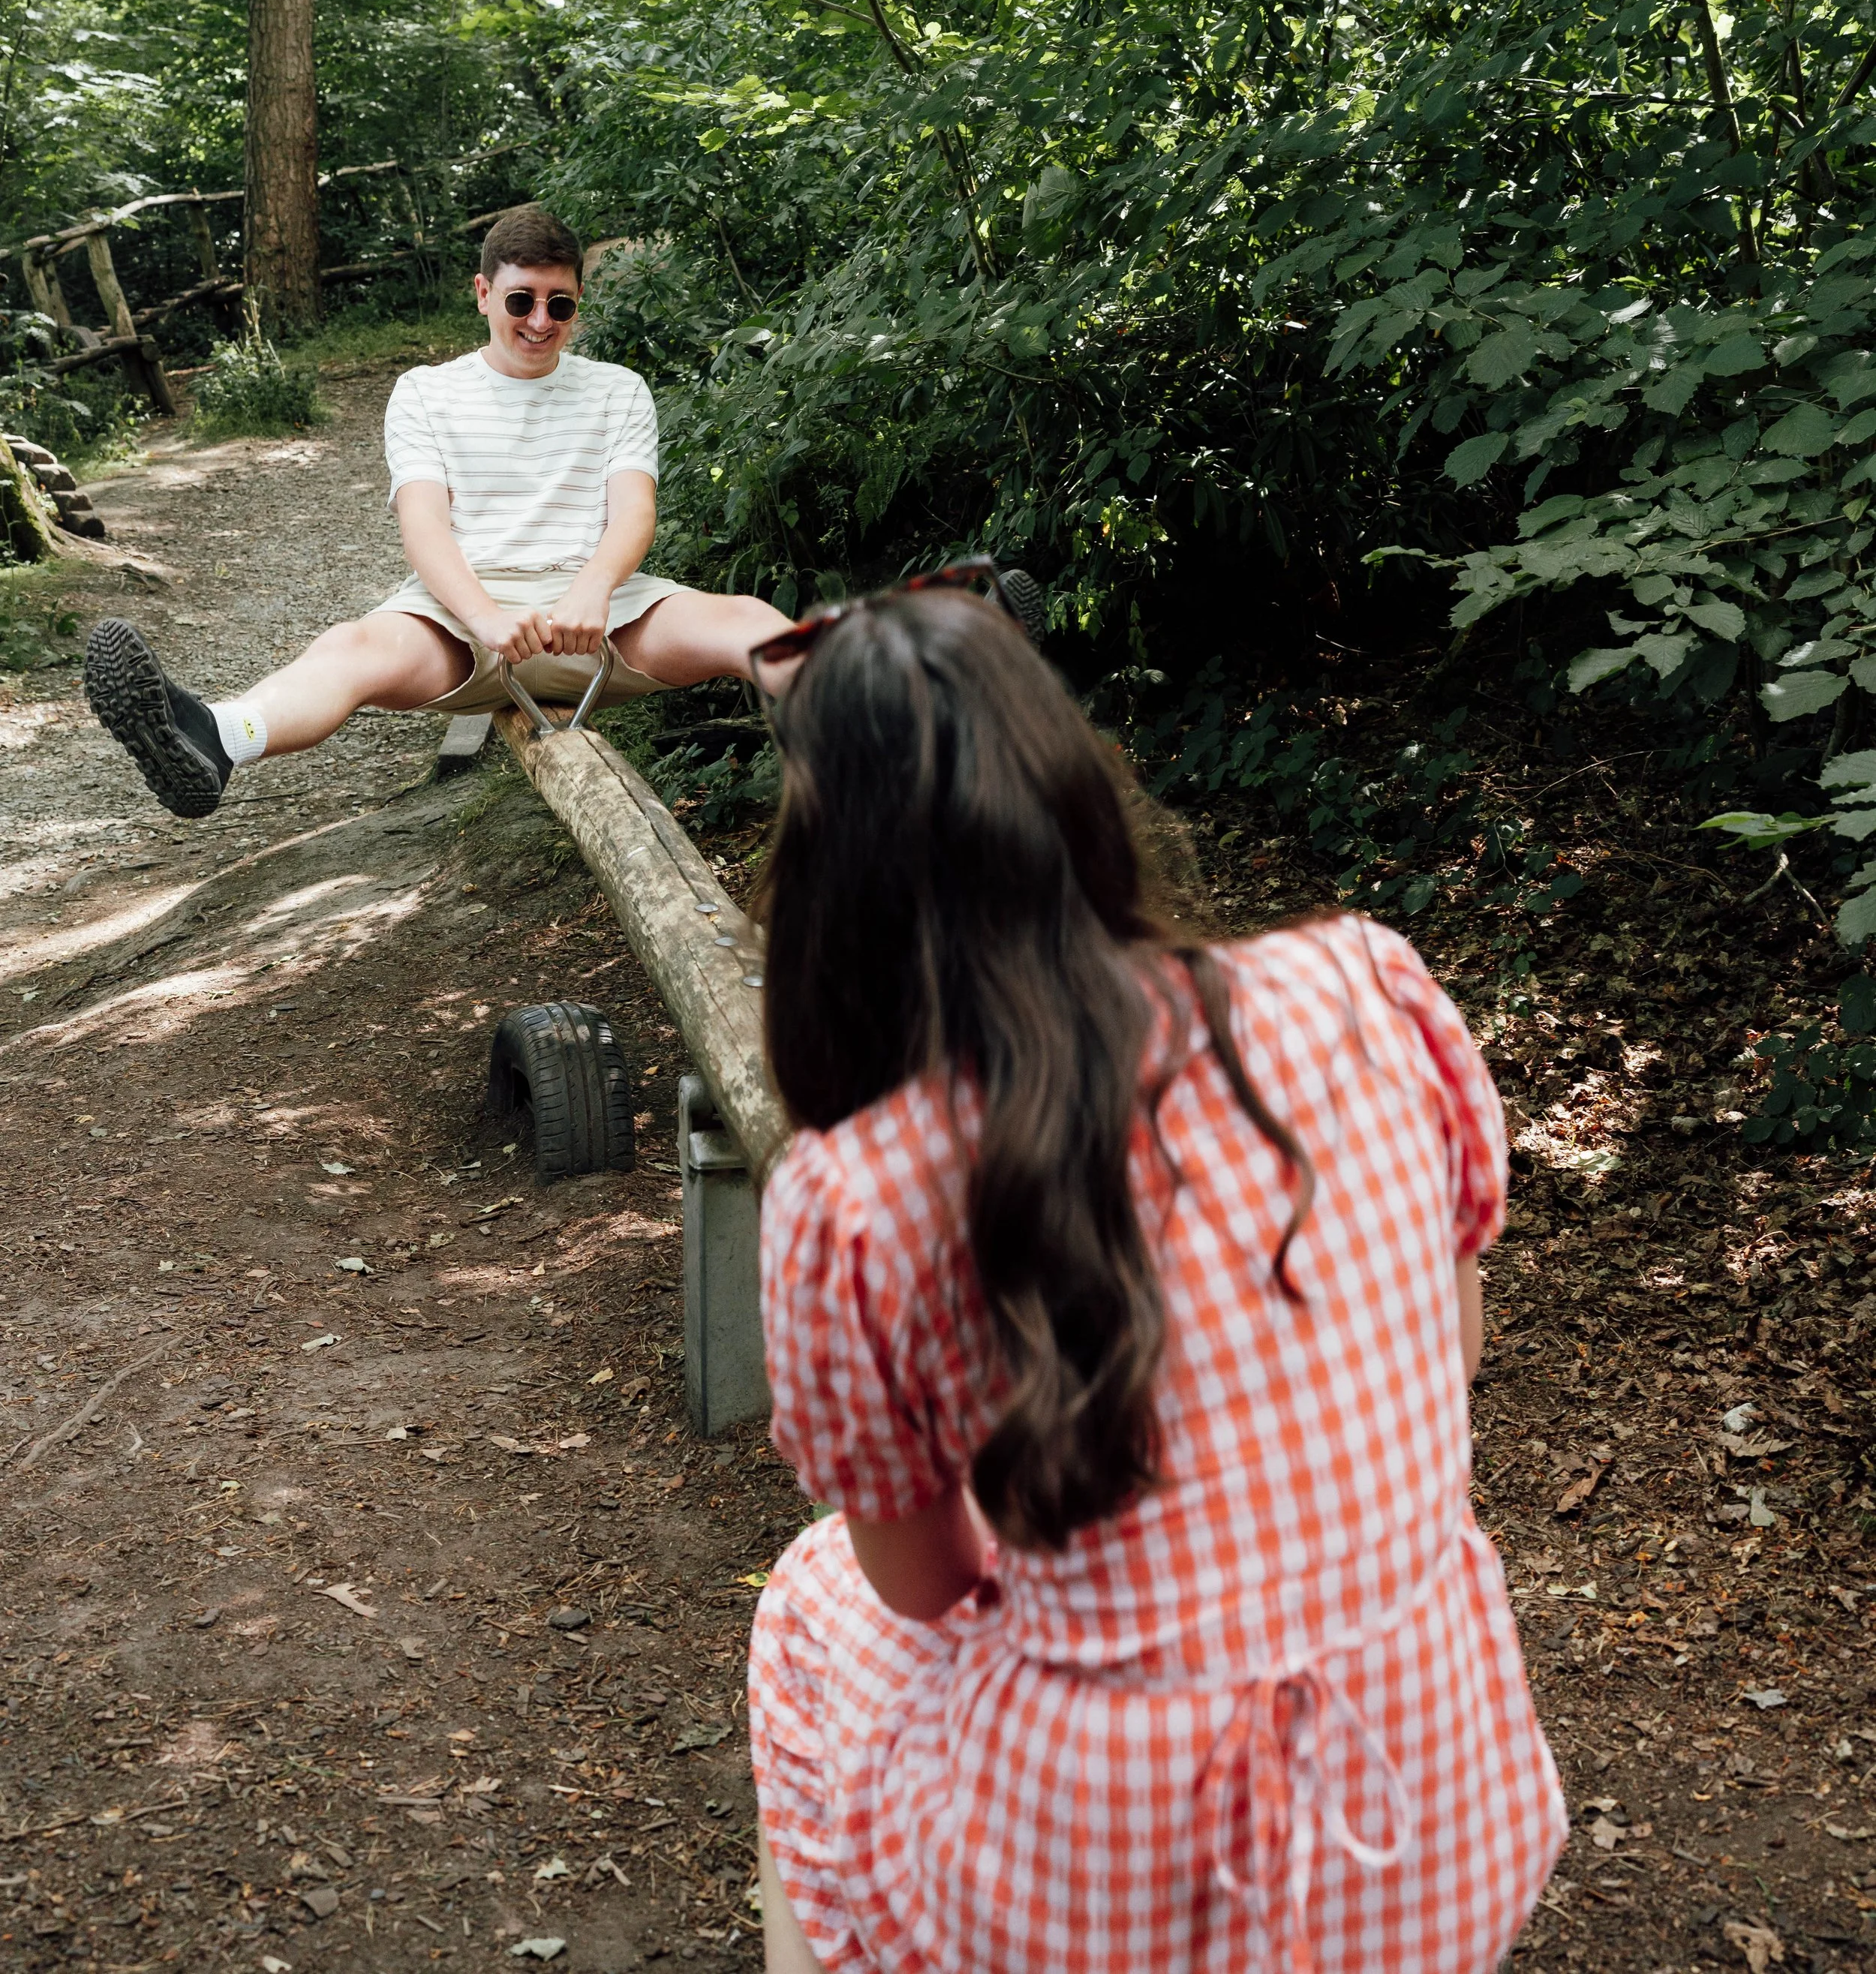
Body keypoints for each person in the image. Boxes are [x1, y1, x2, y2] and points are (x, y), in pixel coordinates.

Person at [741, 579, 1566, 1974]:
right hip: (1441, 1806)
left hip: (1109, 1879)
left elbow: (929, 1583)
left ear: (834, 888)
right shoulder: (1365, 981)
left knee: (811, 1597)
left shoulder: (855, 1195)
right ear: (1077, 793)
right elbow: (1456, 1346)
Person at [83, 205, 784, 819]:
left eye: (559, 304)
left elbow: (634, 512)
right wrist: (485, 617)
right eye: (521, 301)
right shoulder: (425, 392)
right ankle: (215, 739)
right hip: (463, 620)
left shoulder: (618, 390)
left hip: (602, 614)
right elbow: (424, 527)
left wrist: (591, 591)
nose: (540, 321)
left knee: (750, 622)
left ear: (576, 303)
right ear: (483, 294)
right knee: (349, 647)